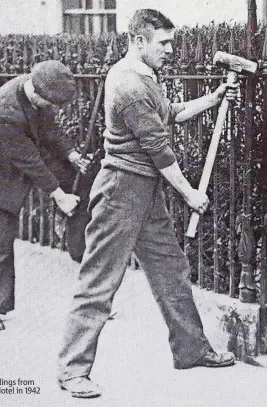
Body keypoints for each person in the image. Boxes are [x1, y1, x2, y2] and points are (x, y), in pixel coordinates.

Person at [57, 9, 239, 398]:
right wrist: (189, 193)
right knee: (99, 282)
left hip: (146, 193)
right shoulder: (127, 85)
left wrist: (214, 97)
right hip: (120, 193)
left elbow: (170, 115)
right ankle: (72, 370)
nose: (171, 50)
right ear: (140, 42)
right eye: (164, 43)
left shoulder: (146, 77)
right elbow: (159, 151)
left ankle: (192, 349)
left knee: (171, 270)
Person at [0, 60, 92, 331]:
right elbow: (30, 161)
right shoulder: (4, 110)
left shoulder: (38, 88)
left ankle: (90, 284)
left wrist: (71, 155)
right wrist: (59, 196)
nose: (56, 109)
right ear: (38, 94)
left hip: (24, 159)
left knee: (77, 182)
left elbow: (49, 130)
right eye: (54, 104)